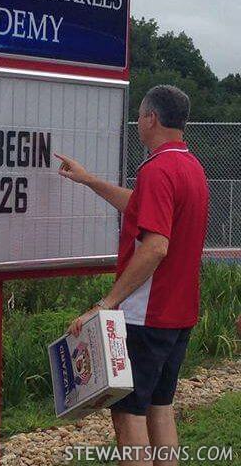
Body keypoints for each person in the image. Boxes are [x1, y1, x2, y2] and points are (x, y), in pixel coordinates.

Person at [56, 85, 209, 466]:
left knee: (128, 416)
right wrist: (90, 180)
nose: (138, 123)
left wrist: (106, 304)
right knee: (160, 407)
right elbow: (140, 207)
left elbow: (156, 246)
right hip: (179, 315)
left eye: (139, 116)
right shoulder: (191, 166)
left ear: (151, 119)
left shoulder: (157, 170)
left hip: (146, 315)